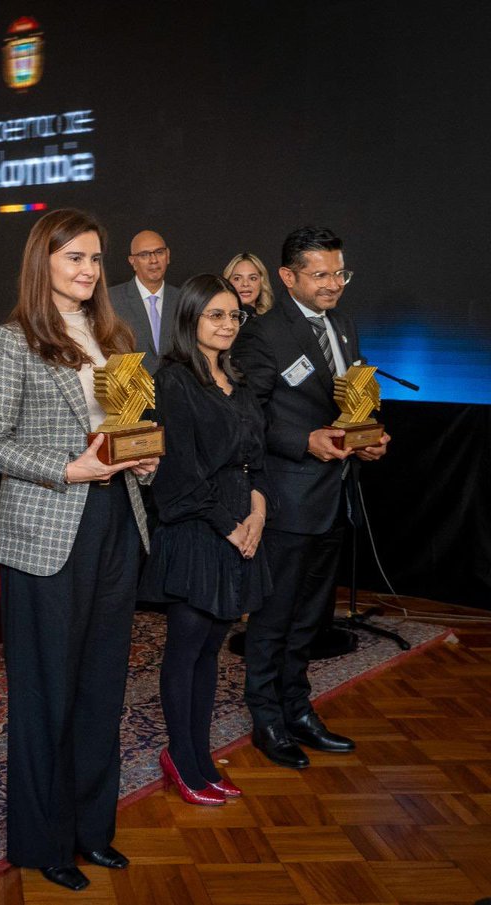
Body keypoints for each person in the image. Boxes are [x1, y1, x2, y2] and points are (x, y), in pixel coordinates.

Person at [0, 209, 157, 892]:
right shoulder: (14, 338)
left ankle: (91, 830)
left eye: (94, 258)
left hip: (116, 518)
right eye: (74, 257)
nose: (88, 269)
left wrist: (143, 459)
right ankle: (42, 841)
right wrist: (66, 466)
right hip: (48, 527)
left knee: (102, 686)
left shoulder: (115, 335)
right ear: (42, 262)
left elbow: (131, 427)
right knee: (46, 692)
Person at [232, 227, 389, 770]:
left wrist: (367, 435)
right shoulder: (263, 334)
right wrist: (304, 441)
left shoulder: (342, 324)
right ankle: (265, 718)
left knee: (310, 617)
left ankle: (298, 709)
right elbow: (249, 416)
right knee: (274, 615)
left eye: (339, 273)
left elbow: (352, 396)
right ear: (288, 276)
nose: (333, 285)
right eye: (320, 275)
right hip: (286, 494)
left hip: (334, 493)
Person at [139, 274, 273, 805]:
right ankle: (183, 757)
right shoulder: (172, 381)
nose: (226, 325)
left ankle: (197, 755)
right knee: (187, 649)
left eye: (233, 316)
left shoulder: (236, 381)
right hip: (198, 532)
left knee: (213, 648)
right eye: (215, 315)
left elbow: (256, 460)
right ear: (191, 319)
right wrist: (231, 525)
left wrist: (258, 512)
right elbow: (178, 474)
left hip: (242, 528)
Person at [108, 229, 181, 373]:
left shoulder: (183, 300)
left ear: (168, 256)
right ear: (132, 261)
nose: (153, 260)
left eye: (159, 252)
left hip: (177, 391)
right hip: (130, 391)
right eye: (144, 255)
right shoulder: (111, 300)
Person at [223, 252, 275, 316]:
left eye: (252, 278)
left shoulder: (273, 322)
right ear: (227, 282)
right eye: (237, 278)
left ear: (262, 282)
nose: (245, 284)